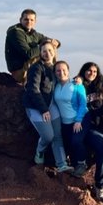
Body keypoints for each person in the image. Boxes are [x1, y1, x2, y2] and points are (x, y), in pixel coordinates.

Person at [22, 39, 72, 173]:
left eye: (50, 50)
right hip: (35, 106)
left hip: (51, 104)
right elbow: (33, 89)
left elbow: (64, 79)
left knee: (57, 135)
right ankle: (39, 152)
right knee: (48, 136)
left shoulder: (55, 67)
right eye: (44, 51)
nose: (47, 53)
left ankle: (61, 164)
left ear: (54, 52)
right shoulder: (36, 67)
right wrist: (43, 110)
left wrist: (77, 80)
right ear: (40, 53)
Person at [78, 62, 103, 199]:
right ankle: (100, 185)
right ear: (83, 71)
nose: (91, 73)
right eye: (88, 70)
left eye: (94, 71)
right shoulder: (79, 85)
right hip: (89, 128)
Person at [51, 61, 89, 177]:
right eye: (58, 70)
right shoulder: (55, 86)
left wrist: (78, 120)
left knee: (76, 141)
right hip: (64, 122)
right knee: (69, 144)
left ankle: (82, 164)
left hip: (80, 118)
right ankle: (72, 167)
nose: (61, 72)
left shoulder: (77, 85)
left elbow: (83, 104)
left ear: (68, 71)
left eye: (64, 70)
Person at [5, 8, 60, 84]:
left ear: (35, 21)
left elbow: (48, 40)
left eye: (31, 20)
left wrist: (56, 42)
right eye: (26, 19)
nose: (29, 22)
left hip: (29, 67)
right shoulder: (15, 33)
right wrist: (43, 47)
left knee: (51, 47)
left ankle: (54, 74)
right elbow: (28, 54)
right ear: (20, 20)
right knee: (45, 50)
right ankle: (46, 77)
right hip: (20, 71)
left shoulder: (33, 33)